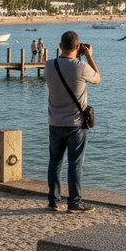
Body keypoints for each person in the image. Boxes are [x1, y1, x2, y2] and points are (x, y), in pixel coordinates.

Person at [43, 31, 100, 213]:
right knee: (75, 164)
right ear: (77, 47)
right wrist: (89, 56)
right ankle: (74, 203)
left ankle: (53, 200)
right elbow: (97, 79)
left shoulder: (48, 65)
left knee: (55, 161)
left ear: (60, 46)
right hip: (76, 125)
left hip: (55, 122)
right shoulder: (81, 67)